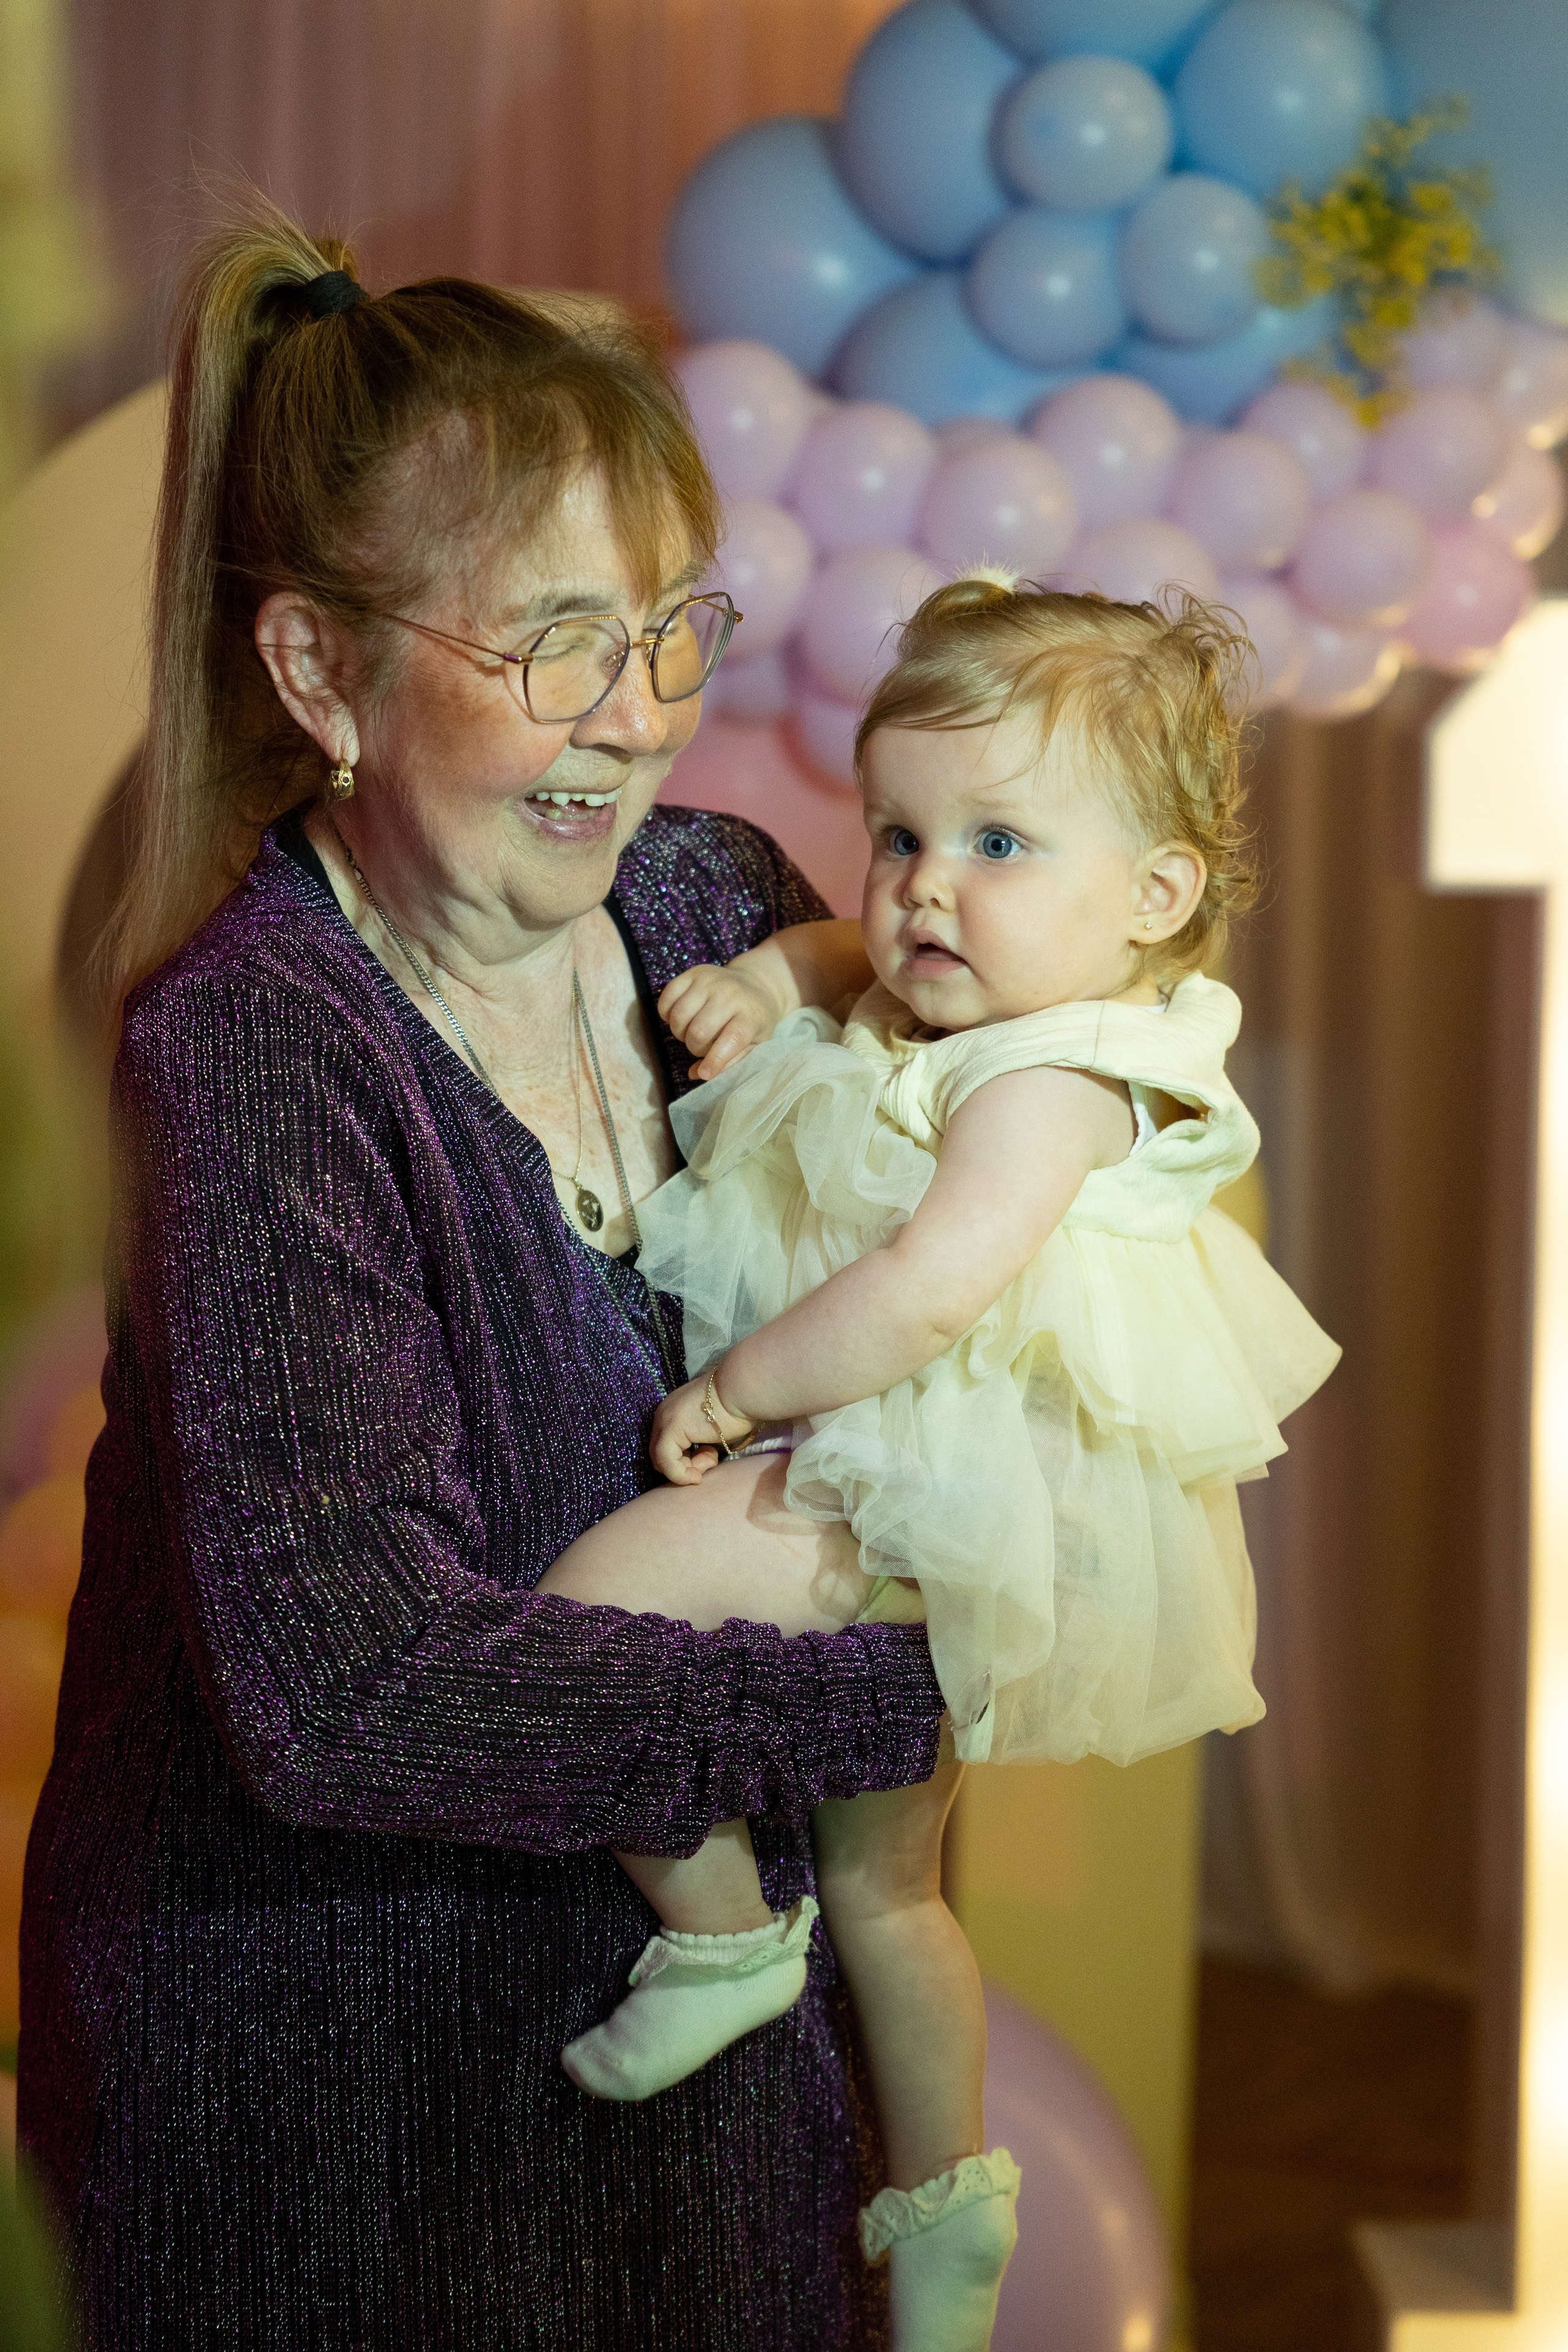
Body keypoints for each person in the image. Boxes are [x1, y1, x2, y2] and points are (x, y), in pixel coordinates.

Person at [17, 202, 950, 2350]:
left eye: (669, 631)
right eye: (552, 647)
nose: (636, 722)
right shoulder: (257, 1046)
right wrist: (908, 1690)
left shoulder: (716, 897)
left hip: (713, 2072)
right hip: (339, 2100)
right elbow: (360, 1686)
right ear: (318, 672)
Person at [535, 581, 1341, 2351]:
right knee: (894, 1891)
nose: (920, 887)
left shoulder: (1060, 1083)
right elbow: (852, 955)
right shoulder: (964, 980)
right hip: (934, 1493)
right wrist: (770, 972)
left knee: (585, 1623)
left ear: (1156, 899)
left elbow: (923, 1289)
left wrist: (738, 1394)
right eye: (898, 830)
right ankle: (950, 2208)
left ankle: (726, 1930)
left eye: (994, 840)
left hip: (925, 1492)